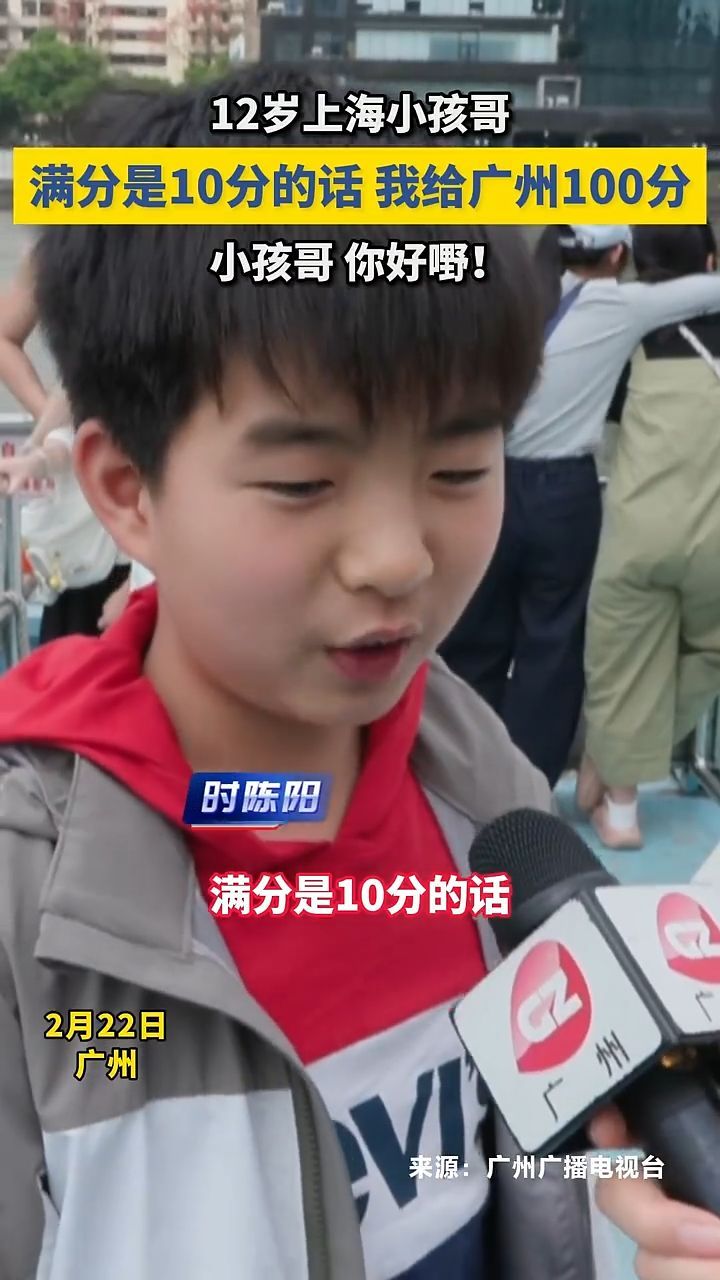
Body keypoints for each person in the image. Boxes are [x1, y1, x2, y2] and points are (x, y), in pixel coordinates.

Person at [0, 73, 717, 1280]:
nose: (399, 558)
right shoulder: (34, 903)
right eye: (302, 483)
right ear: (125, 490)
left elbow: (493, 1162)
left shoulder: (485, 790)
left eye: (459, 467)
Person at [440, 223, 720, 790]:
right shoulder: (616, 305)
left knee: (472, 642)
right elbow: (706, 290)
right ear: (617, 254)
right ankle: (525, 791)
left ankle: (456, 780)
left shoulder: (516, 305)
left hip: (486, 485)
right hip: (563, 496)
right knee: (550, 651)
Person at [579, 223, 720, 849]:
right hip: (717, 542)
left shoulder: (627, 339)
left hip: (640, 530)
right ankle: (623, 755)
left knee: (624, 663)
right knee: (710, 652)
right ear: (711, 262)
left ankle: (621, 809)